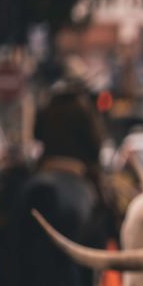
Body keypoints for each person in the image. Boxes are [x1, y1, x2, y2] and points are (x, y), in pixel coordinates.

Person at [33, 71, 112, 222]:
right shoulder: (83, 108)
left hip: (48, 163)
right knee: (105, 202)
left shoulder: (47, 106)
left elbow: (36, 135)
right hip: (75, 165)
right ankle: (111, 235)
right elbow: (95, 142)